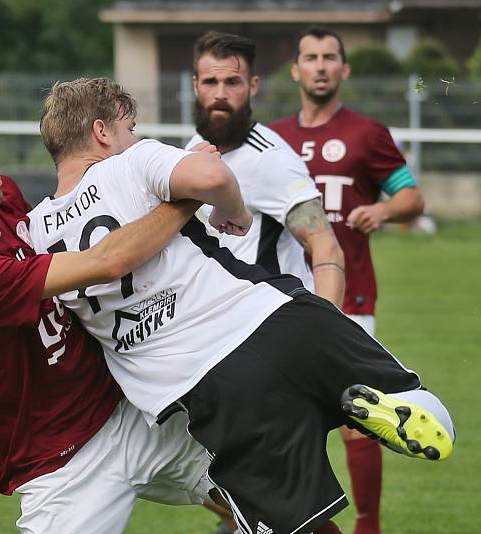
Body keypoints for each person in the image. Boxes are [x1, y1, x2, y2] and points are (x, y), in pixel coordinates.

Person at [27, 77, 454, 534]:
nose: (134, 137)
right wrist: (234, 211)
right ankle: (366, 403)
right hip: (277, 315)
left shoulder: (34, 234)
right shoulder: (131, 161)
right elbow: (211, 176)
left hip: (209, 385)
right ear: (102, 132)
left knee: (297, 524)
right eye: (130, 126)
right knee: (422, 406)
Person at [0, 109, 240, 533]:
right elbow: (108, 261)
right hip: (61, 459)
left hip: (129, 409)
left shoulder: (2, 201)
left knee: (267, 495)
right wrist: (189, 193)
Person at [184, 31, 345, 534]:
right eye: (211, 81)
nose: (220, 93)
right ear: (195, 85)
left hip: (269, 353)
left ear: (252, 86)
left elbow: (325, 246)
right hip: (211, 353)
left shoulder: (270, 159)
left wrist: (328, 333)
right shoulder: (196, 150)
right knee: (238, 495)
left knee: (285, 507)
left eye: (232, 82)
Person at [269, 26, 427, 534]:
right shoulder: (270, 140)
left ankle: (367, 524)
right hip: (276, 297)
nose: (320, 66)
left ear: (344, 70)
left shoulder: (367, 134)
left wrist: (382, 209)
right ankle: (253, 516)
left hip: (350, 294)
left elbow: (411, 197)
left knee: (358, 414)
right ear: (296, 70)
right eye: (310, 57)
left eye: (330, 57)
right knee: (271, 417)